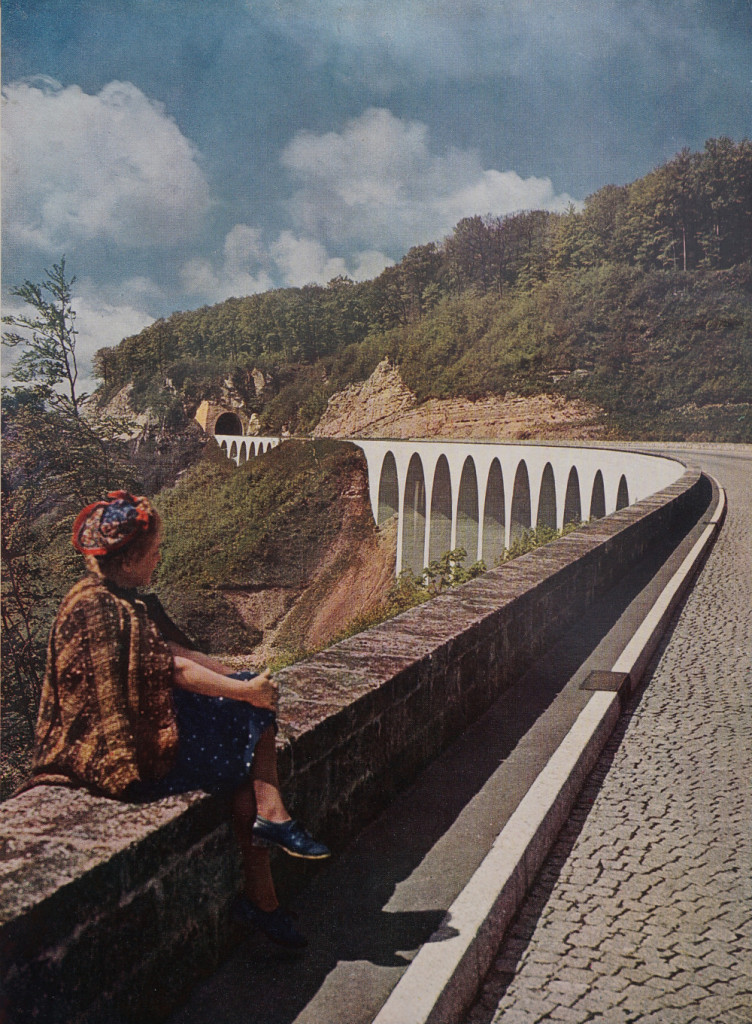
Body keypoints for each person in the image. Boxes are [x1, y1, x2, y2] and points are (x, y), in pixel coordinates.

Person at [25, 490, 329, 949]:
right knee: (248, 725)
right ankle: (266, 870)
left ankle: (267, 859)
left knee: (247, 728)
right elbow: (172, 669)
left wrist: (241, 677)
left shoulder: (114, 596)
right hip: (112, 751)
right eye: (153, 552)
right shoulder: (100, 608)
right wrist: (246, 690)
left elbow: (175, 654)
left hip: (130, 724)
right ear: (128, 562)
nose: (159, 557)